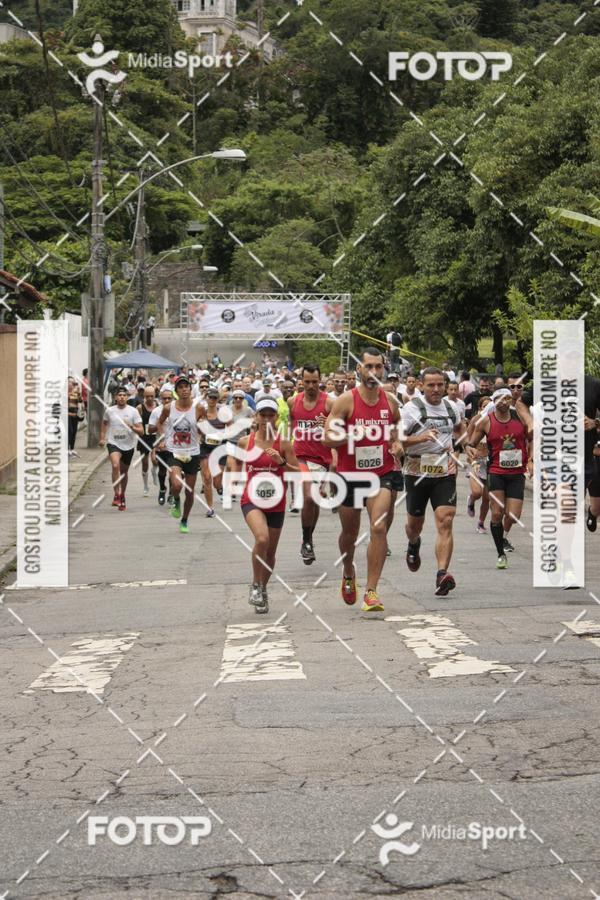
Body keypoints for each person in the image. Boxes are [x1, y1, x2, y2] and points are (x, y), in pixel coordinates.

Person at [324, 347, 402, 613]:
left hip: (381, 473)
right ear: (359, 369)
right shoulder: (346, 401)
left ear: (384, 369)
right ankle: (348, 570)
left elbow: (396, 430)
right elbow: (326, 438)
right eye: (368, 367)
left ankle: (371, 591)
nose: (374, 372)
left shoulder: (390, 401)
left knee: (378, 528)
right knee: (349, 533)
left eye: (378, 367)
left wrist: (397, 444)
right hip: (350, 475)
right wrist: (350, 437)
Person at [400, 367, 466, 596]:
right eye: (431, 385)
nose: (436, 389)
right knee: (414, 525)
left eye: (440, 385)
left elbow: (459, 428)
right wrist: (421, 437)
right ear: (421, 385)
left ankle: (442, 574)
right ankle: (414, 542)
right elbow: (396, 441)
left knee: (445, 520)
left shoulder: (452, 407)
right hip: (416, 472)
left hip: (444, 472)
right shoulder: (410, 410)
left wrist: (460, 447)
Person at [236, 397, 301, 615]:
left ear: (276, 417)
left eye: (270, 415)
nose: (265, 419)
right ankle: (255, 586)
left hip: (276, 502)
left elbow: (298, 472)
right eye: (262, 415)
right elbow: (235, 463)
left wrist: (282, 463)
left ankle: (263, 589)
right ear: (256, 417)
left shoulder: (283, 444)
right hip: (252, 500)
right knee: (261, 539)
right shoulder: (246, 442)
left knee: (270, 552)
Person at [467, 387, 531, 569]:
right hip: (496, 472)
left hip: (517, 473)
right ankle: (501, 553)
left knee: (513, 515)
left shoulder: (520, 418)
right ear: (494, 401)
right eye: (500, 398)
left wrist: (532, 458)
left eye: (508, 398)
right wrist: (470, 450)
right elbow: (471, 443)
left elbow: (531, 438)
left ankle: (502, 536)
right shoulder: (486, 422)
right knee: (497, 513)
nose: (504, 401)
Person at [289, 364, 335, 565]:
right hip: (300, 457)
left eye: (314, 382)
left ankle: (308, 538)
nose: (310, 386)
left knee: (313, 500)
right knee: (308, 496)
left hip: (322, 460)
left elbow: (338, 433)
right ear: (301, 381)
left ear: (320, 381)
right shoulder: (293, 401)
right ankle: (306, 541)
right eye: (306, 382)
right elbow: (292, 426)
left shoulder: (330, 404)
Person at [158, 374, 205, 533]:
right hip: (174, 450)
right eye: (181, 387)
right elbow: (160, 422)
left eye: (187, 387)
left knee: (190, 491)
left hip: (192, 451)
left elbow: (203, 424)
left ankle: (184, 520)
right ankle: (176, 499)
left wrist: (202, 431)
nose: (184, 390)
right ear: (176, 391)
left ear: (191, 389)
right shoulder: (168, 407)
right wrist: (162, 439)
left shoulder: (198, 407)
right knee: (177, 484)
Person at [99, 386, 144, 511]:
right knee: (115, 465)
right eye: (119, 395)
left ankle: (122, 495)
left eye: (124, 395)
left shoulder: (133, 411)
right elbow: (104, 423)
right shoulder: (110, 411)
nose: (122, 397)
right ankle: (116, 493)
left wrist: (132, 427)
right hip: (113, 443)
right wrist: (102, 438)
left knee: (124, 473)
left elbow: (141, 431)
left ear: (127, 397)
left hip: (128, 445)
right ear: (115, 397)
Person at [466, 395, 492, 533]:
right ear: (479, 409)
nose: (487, 409)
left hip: (490, 462)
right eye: (484, 406)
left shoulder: (495, 420)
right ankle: (471, 499)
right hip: (476, 461)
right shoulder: (476, 420)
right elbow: (468, 440)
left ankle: (481, 523)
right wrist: (471, 457)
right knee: (477, 492)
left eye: (490, 406)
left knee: (487, 497)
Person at [198, 388, 226, 518]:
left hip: (219, 448)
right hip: (204, 447)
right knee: (207, 477)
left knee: (216, 481)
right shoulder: (201, 412)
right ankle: (210, 508)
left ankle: (220, 488)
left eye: (215, 398)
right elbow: (195, 426)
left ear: (217, 399)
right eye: (210, 397)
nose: (212, 400)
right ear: (206, 398)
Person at [149, 385, 174, 506]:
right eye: (165, 398)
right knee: (162, 471)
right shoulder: (156, 411)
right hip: (161, 445)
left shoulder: (178, 410)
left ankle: (171, 494)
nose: (167, 401)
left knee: (173, 471)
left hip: (175, 445)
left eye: (169, 398)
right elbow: (149, 430)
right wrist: (160, 423)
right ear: (160, 399)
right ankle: (162, 489)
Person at [137, 386, 159, 496]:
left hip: (156, 437)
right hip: (144, 437)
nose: (149, 398)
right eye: (147, 396)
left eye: (152, 396)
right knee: (145, 463)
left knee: (155, 460)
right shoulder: (140, 408)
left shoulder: (159, 406)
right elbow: (136, 421)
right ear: (144, 396)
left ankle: (154, 471)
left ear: (155, 396)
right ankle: (145, 486)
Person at [67, 377, 83, 456]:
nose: (72, 384)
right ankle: (66, 449)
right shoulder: (64, 392)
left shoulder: (75, 392)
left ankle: (72, 448)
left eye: (74, 383)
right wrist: (72, 393)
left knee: (74, 431)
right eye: (71, 382)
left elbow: (80, 401)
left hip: (75, 414)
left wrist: (79, 394)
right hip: (67, 414)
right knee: (69, 431)